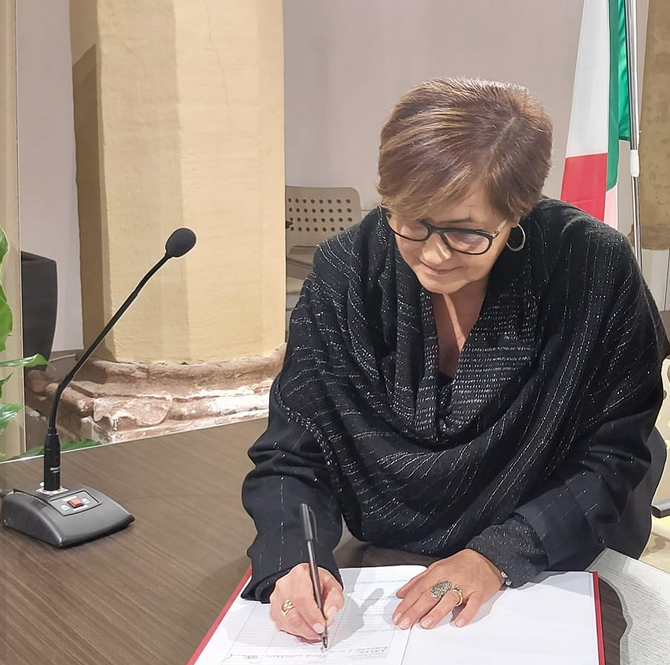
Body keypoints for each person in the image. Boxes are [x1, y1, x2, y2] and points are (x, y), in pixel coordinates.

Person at [241, 77, 670, 640]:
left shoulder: (589, 269)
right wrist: (293, 558)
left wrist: (499, 554)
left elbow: (615, 453)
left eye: (467, 233)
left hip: (557, 554)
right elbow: (293, 450)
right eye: (411, 220)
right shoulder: (348, 272)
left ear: (516, 214)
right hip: (387, 565)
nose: (434, 254)